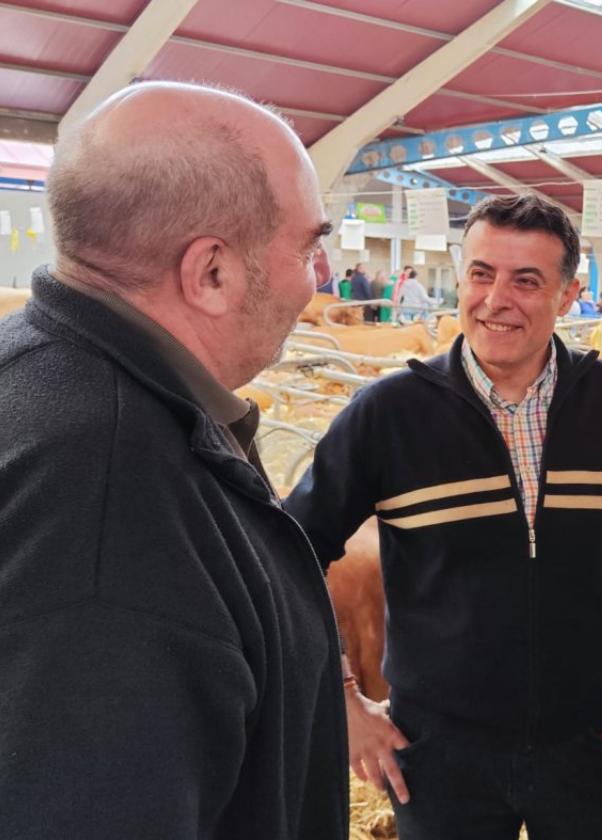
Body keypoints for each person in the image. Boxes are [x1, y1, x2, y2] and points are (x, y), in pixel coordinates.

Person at [285, 193, 602, 839]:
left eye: (526, 281)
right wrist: (340, 699)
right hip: (438, 750)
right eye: (481, 273)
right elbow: (291, 552)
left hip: (592, 736)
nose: (495, 299)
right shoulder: (388, 415)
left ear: (568, 296)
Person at [0, 81, 347, 838]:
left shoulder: (31, 374)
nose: (316, 281)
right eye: (308, 246)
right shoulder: (115, 511)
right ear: (212, 272)